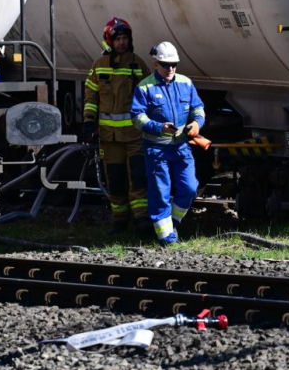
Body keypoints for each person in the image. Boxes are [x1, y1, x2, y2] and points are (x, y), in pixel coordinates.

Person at [131, 41, 206, 245]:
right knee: (160, 192)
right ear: (156, 64)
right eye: (166, 65)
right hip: (157, 149)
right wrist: (159, 127)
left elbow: (198, 108)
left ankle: (173, 221)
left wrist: (197, 124)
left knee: (190, 187)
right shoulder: (145, 87)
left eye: (174, 64)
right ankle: (166, 238)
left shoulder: (185, 83)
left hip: (181, 147)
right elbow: (137, 117)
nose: (171, 69)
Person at [84, 17, 151, 236]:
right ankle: (120, 221)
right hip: (109, 137)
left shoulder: (138, 64)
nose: (122, 43)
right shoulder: (99, 65)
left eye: (125, 39)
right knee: (115, 180)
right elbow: (91, 96)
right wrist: (88, 123)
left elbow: (150, 96)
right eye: (118, 39)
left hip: (134, 136)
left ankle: (142, 221)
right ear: (109, 41)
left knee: (138, 179)